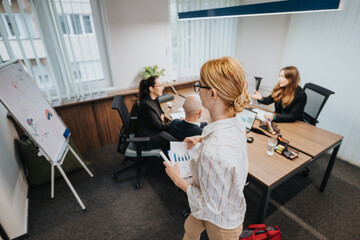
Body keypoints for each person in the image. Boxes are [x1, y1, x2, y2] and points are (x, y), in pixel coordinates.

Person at [163, 57, 251, 240]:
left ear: (212, 94)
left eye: (199, 85)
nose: (197, 89)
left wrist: (177, 180)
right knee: (190, 229)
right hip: (213, 197)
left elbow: (208, 205)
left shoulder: (214, 151)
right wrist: (201, 139)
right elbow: (222, 143)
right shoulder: (236, 121)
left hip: (222, 221)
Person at [137, 76, 170, 150]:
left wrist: (161, 116)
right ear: (151, 88)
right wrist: (174, 122)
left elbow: (161, 112)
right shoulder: (146, 105)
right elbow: (159, 126)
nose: (163, 87)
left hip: (154, 131)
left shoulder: (154, 98)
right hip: (148, 138)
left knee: (175, 133)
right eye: (160, 86)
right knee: (175, 138)